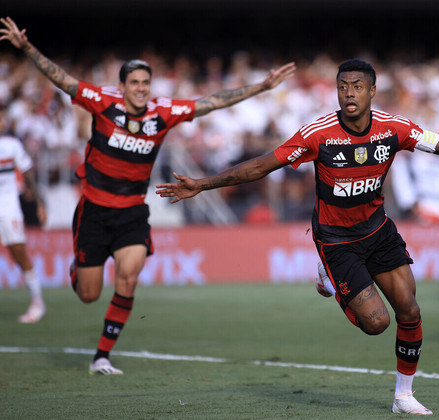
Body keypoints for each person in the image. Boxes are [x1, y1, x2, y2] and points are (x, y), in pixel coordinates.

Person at [156, 59, 439, 415]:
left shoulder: (395, 128)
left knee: (410, 310)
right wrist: (203, 184)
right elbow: (264, 164)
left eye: (356, 87)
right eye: (342, 87)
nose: (348, 94)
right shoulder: (318, 133)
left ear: (372, 90)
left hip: (379, 230)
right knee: (377, 324)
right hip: (336, 239)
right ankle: (329, 276)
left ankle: (403, 396)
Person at [1, 16, 296, 375]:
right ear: (122, 85)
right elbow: (61, 79)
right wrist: (27, 47)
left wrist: (261, 87)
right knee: (88, 293)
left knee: (127, 279)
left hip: (132, 213)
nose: (140, 88)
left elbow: (212, 102)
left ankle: (102, 357)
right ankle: (79, 271)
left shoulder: (163, 111)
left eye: (145, 82)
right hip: (94, 210)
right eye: (134, 82)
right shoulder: (101, 101)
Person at [0, 106, 47, 323]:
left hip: (8, 207)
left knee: (18, 253)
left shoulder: (11, 145)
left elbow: (28, 174)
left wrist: (39, 203)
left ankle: (37, 302)